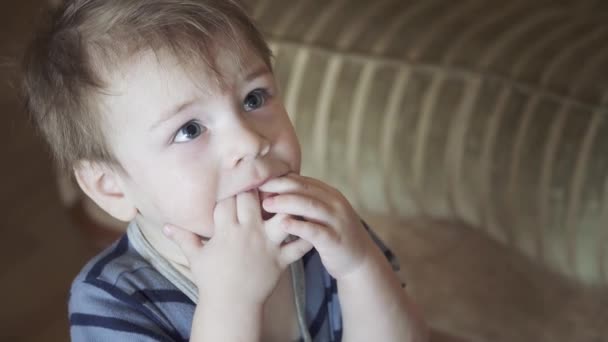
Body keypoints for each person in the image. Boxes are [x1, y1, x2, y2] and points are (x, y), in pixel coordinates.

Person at [22, 0, 428, 341]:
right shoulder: (112, 300)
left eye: (254, 98)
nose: (250, 142)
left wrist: (358, 266)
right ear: (111, 188)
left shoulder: (317, 226)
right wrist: (231, 302)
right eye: (190, 129)